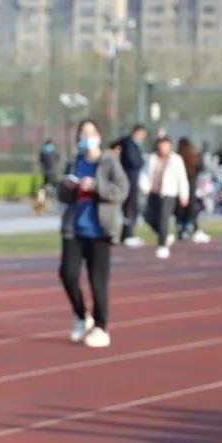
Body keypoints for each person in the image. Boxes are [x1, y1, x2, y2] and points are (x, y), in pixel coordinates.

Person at [57, 119, 129, 349]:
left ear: (98, 135)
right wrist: (67, 188)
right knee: (68, 274)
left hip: (99, 230)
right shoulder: (74, 162)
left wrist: (96, 186)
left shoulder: (109, 161)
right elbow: (62, 195)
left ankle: (101, 327)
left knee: (97, 281)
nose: (86, 137)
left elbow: (122, 190)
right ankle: (81, 315)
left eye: (90, 132)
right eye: (82, 133)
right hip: (74, 228)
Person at [139, 136, 191, 260]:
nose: (163, 148)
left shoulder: (176, 159)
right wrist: (144, 187)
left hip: (168, 193)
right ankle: (165, 235)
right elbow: (144, 174)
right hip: (153, 192)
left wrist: (184, 195)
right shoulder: (152, 158)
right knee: (149, 217)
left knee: (163, 218)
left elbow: (182, 178)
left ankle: (162, 246)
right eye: (161, 145)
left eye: (166, 145)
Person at [117, 125, 147, 247]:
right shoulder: (128, 143)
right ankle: (127, 235)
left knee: (133, 208)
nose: (143, 137)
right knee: (129, 208)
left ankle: (127, 234)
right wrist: (141, 161)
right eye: (142, 134)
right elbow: (133, 160)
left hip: (133, 181)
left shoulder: (133, 144)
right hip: (129, 181)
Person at [175, 137, 210, 243]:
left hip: (180, 186)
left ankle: (183, 231)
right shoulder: (193, 156)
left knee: (181, 210)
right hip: (191, 185)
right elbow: (201, 167)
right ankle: (190, 230)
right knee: (190, 209)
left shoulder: (178, 156)